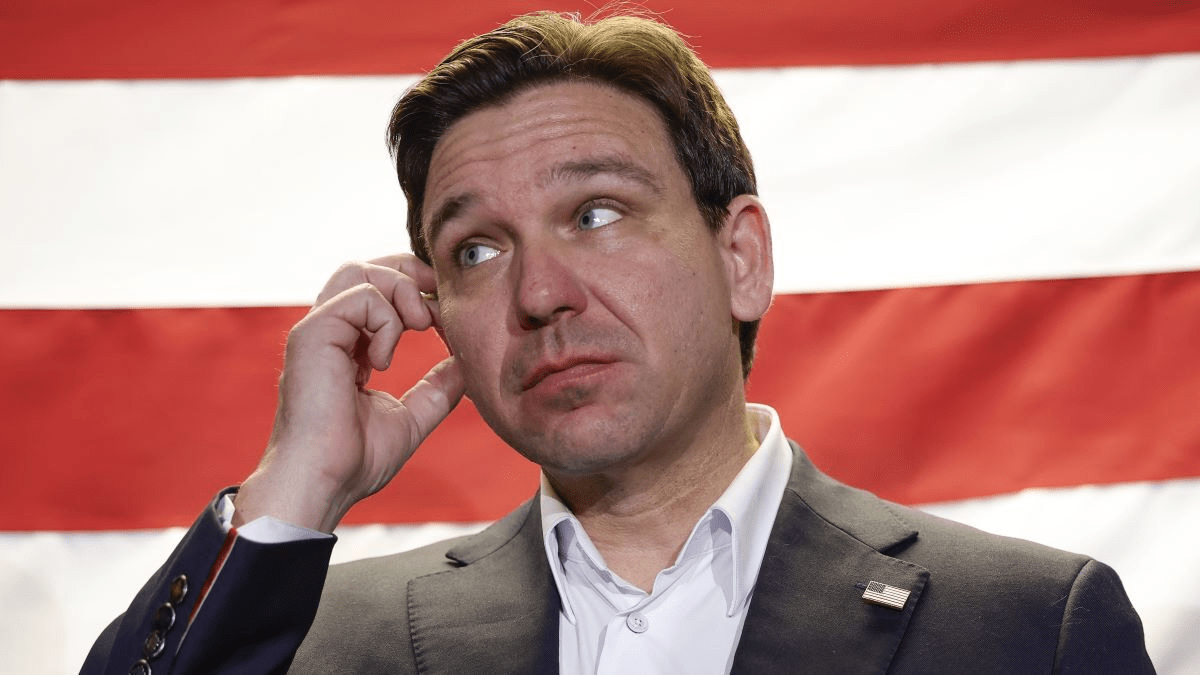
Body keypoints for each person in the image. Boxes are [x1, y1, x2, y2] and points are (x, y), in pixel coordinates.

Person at [83, 11, 1154, 674]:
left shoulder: (1029, 630)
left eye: (596, 212)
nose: (543, 291)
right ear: (430, 306)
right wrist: (291, 496)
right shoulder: (319, 640)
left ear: (741, 258)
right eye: (476, 250)